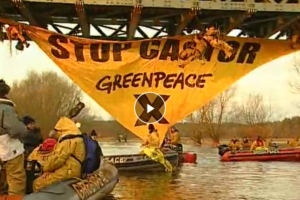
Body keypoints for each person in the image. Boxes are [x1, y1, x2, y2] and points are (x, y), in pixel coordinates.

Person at [32, 117, 85, 192]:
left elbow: (57, 159)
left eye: (57, 131)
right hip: (72, 169)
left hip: (68, 172)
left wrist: (45, 169)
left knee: (37, 183)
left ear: (61, 130)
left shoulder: (67, 140)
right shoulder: (76, 137)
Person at [0, 79, 27, 195]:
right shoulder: (5, 108)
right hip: (9, 148)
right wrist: (24, 129)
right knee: (16, 179)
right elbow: (16, 129)